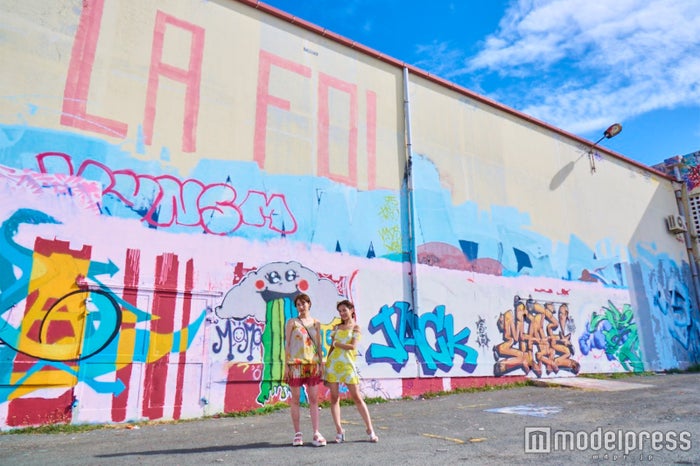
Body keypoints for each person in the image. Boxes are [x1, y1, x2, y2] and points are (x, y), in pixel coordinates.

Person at [324, 299, 379, 443]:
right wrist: (326, 365)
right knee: (334, 398)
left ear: (351, 310)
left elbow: (352, 347)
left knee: (357, 397)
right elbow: (331, 349)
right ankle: (339, 431)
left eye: (344, 310)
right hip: (333, 365)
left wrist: (336, 343)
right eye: (340, 311)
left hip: (348, 365)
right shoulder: (336, 328)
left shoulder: (356, 328)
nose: (342, 313)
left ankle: (370, 429)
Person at [284, 293, 327, 447]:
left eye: (303, 303)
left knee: (314, 398)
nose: (301, 307)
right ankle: (297, 433)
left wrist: (321, 364)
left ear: (309, 304)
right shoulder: (292, 322)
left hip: (312, 364)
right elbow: (287, 344)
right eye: (298, 305)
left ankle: (316, 432)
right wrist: (286, 366)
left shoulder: (316, 323)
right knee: (295, 399)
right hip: (295, 365)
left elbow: (319, 345)